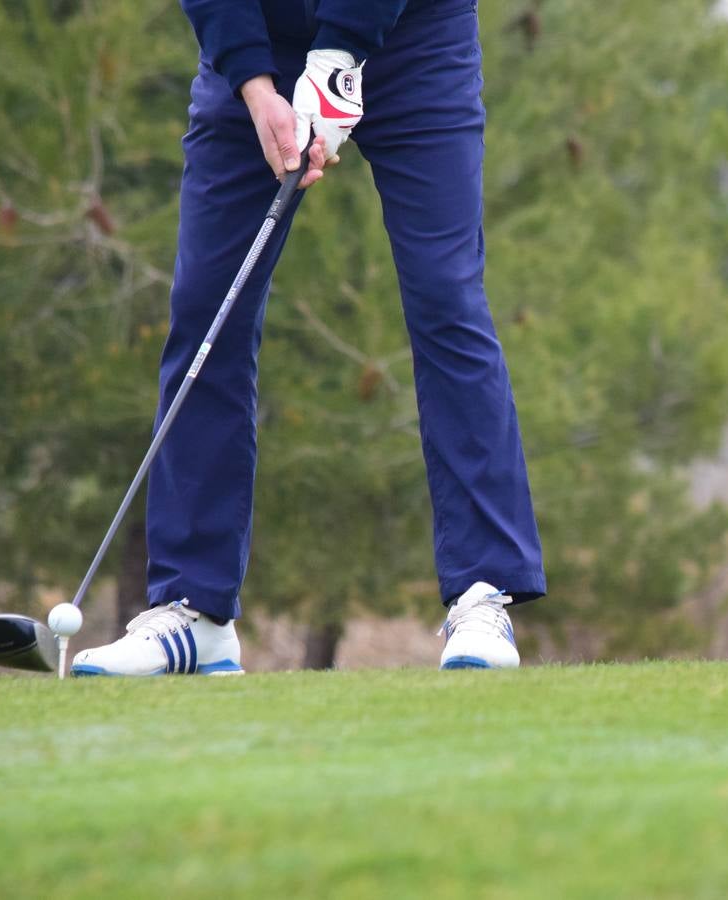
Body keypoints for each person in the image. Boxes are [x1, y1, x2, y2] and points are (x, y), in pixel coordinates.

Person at [71, 0, 544, 676]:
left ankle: (482, 593)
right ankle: (193, 610)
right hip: (255, 44)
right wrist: (253, 84)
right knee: (209, 304)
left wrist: (338, 52)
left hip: (415, 39)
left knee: (446, 296)